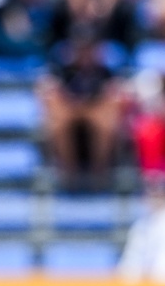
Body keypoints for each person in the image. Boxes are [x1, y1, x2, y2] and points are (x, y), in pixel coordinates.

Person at [39, 24, 126, 187]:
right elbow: (49, 92)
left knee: (106, 121)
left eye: (89, 49)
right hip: (69, 119)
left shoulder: (106, 72)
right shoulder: (62, 71)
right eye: (81, 49)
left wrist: (87, 108)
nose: (85, 53)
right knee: (58, 120)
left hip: (96, 120)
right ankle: (68, 176)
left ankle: (99, 176)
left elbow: (112, 97)